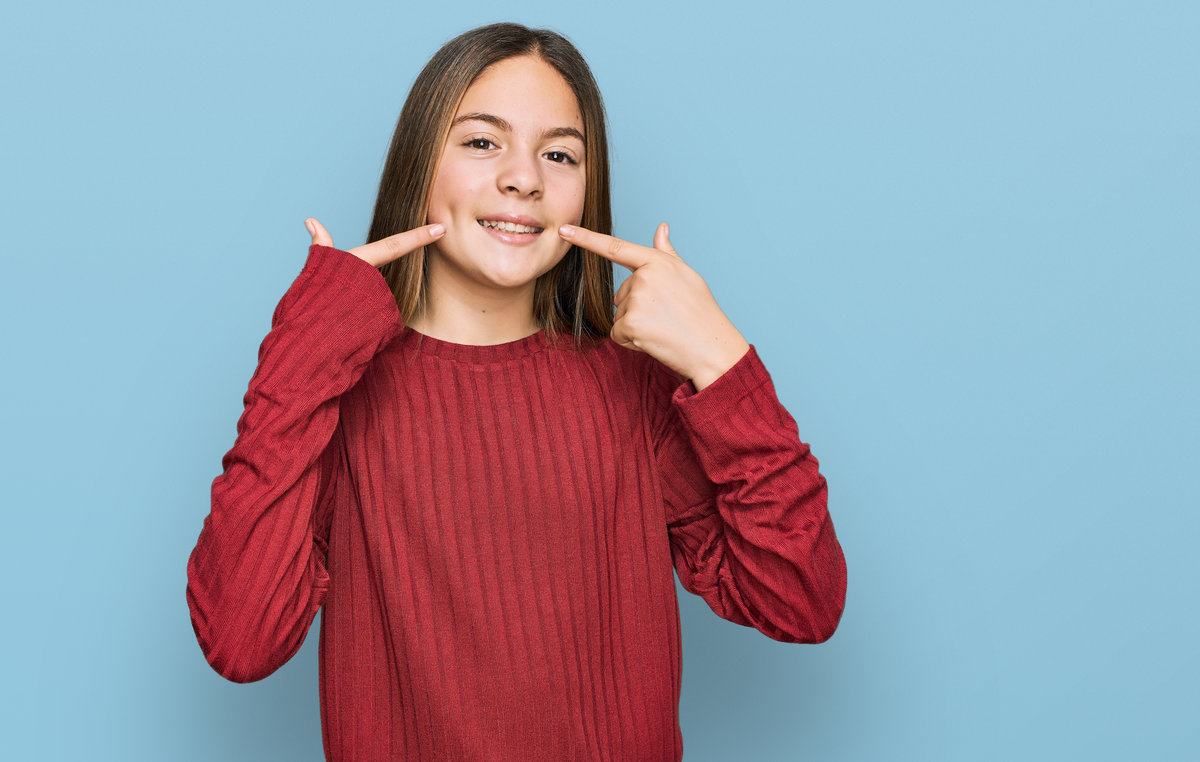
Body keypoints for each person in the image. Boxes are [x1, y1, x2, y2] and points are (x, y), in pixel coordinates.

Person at [186, 21, 846, 761]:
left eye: (559, 154)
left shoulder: (635, 392)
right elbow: (240, 642)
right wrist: (302, 355)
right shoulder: (336, 394)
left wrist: (723, 362)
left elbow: (802, 600)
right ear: (419, 165)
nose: (524, 178)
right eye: (481, 142)